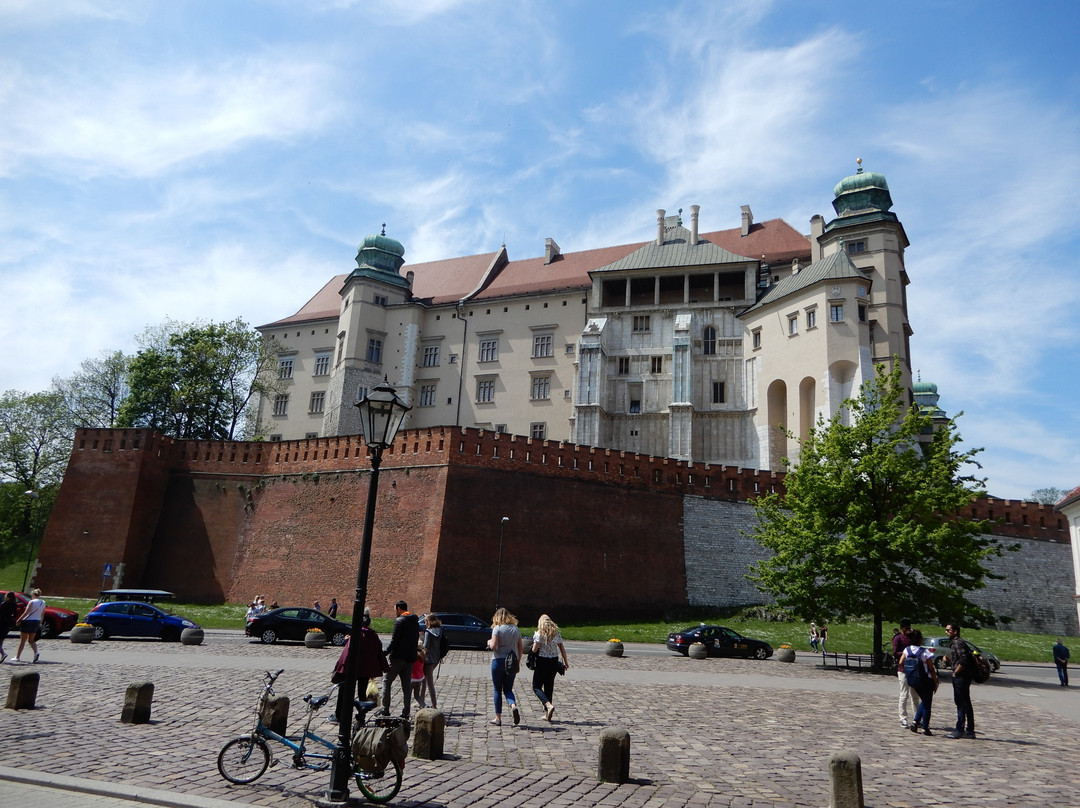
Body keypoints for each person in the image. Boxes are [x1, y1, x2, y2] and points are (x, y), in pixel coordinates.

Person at [330, 607, 388, 723]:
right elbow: (379, 652)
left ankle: (339, 715)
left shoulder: (356, 636)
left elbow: (346, 654)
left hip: (352, 669)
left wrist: (340, 668)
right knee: (362, 693)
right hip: (365, 670)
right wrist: (385, 667)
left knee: (344, 691)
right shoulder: (374, 636)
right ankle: (361, 716)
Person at [381, 600, 420, 719]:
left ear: (398, 609)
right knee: (406, 686)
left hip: (397, 658)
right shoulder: (415, 621)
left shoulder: (399, 621)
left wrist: (386, 652)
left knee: (387, 682)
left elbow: (394, 640)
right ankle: (406, 712)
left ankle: (385, 710)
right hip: (410, 658)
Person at [530, 614, 570, 722]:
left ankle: (548, 705)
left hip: (542, 661)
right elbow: (562, 649)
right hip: (553, 662)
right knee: (549, 686)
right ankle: (547, 715)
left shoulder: (540, 634)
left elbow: (534, 649)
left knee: (536, 686)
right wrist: (565, 662)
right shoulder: (556, 633)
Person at [487, 607, 523, 726]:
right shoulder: (515, 629)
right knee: (508, 689)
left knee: (497, 689)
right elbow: (520, 648)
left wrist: (488, 642)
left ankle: (498, 717)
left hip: (498, 661)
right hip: (511, 662)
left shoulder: (497, 628)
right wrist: (518, 662)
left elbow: (493, 646)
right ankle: (513, 706)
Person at [899, 629, 938, 735]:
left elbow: (901, 662)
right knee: (927, 704)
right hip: (926, 680)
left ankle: (916, 722)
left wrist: (908, 672)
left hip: (913, 680)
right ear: (920, 640)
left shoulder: (907, 650)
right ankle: (925, 727)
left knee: (924, 701)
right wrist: (936, 681)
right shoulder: (925, 652)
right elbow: (931, 668)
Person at [944, 623, 976, 739]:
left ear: (955, 631)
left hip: (961, 677)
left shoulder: (957, 643)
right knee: (966, 703)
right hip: (964, 676)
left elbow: (964, 660)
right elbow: (959, 660)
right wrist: (949, 661)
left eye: (948, 630)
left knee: (961, 703)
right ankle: (970, 731)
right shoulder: (958, 643)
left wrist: (956, 672)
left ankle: (959, 729)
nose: (946, 632)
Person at [892, 617, 921, 728]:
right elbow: (895, 652)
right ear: (901, 628)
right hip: (903, 669)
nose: (908, 630)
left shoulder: (912, 637)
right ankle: (903, 718)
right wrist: (906, 653)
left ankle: (917, 718)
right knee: (904, 694)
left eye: (909, 627)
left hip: (913, 669)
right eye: (905, 628)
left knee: (915, 696)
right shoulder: (898, 638)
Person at [15, 588, 46, 663]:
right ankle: (36, 653)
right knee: (31, 640)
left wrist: (19, 620)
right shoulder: (43, 602)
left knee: (22, 641)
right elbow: (42, 614)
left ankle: (17, 657)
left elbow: (26, 612)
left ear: (33, 595)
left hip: (28, 621)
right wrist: (40, 623)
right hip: (36, 621)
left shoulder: (31, 602)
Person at [421, 614, 445, 709]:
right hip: (436, 659)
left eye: (426, 621)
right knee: (424, 681)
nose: (425, 623)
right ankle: (422, 702)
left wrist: (420, 642)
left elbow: (425, 647)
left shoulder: (428, 632)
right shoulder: (439, 631)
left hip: (427, 660)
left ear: (429, 622)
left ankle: (433, 705)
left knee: (428, 682)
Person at [0, 591, 19, 663]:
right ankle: (2, 655)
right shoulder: (14, 605)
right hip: (7, 624)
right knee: (1, 640)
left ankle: (3, 653)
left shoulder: (3, 604)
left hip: (1, 623)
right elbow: (15, 615)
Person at [411, 641, 427, 708]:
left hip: (412, 679)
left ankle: (406, 709)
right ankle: (424, 705)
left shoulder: (414, 657)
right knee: (417, 696)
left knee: (407, 695)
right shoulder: (422, 657)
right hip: (419, 679)